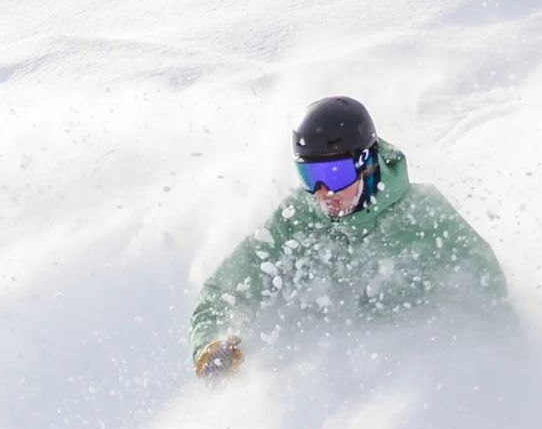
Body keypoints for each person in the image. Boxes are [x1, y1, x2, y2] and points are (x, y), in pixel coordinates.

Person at [189, 96, 519, 380]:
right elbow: (230, 287)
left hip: (415, 384)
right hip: (327, 390)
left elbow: (488, 301)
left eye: (335, 174)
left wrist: (489, 374)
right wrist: (213, 342)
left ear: (366, 163)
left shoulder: (424, 219)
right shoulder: (297, 219)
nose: (322, 194)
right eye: (310, 176)